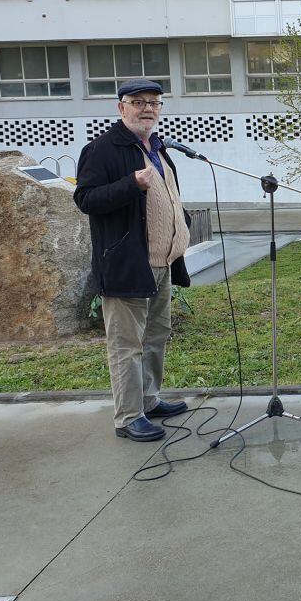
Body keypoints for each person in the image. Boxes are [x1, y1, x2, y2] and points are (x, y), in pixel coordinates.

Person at [74, 79, 191, 443]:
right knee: (127, 344)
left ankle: (150, 400)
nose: (147, 108)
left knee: (156, 335)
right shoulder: (102, 150)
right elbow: (86, 199)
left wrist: (179, 225)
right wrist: (130, 185)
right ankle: (128, 416)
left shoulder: (157, 147)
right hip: (127, 263)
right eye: (137, 101)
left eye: (154, 102)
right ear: (120, 107)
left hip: (161, 262)